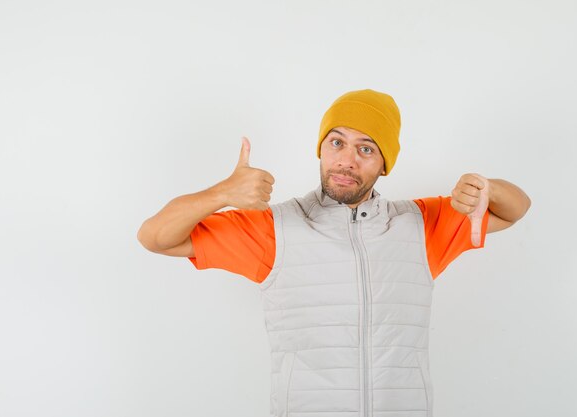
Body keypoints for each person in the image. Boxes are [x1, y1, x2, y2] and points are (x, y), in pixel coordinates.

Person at [137, 89, 531, 417]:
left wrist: (486, 187)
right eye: (337, 142)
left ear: (384, 165)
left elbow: (514, 209)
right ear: (321, 148)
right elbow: (155, 236)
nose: (346, 159)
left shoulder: (421, 225)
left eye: (366, 149)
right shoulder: (274, 229)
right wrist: (222, 193)